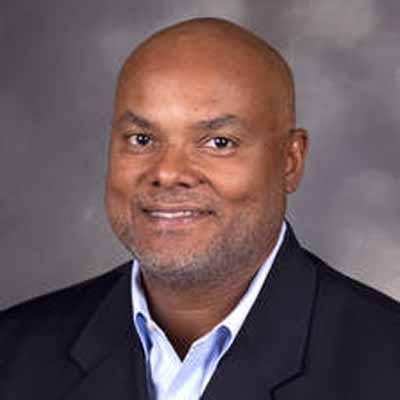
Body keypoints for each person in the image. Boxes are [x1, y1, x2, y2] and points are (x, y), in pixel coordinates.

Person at [1, 17, 399, 400]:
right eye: (141, 139)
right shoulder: (14, 354)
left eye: (219, 143)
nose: (168, 172)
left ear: (289, 161)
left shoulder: (386, 363)